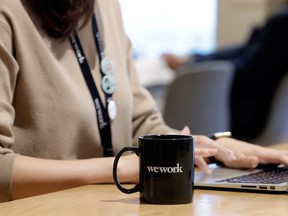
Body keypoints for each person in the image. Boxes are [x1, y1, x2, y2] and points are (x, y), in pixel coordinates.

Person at [1, 0, 288, 203]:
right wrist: (121, 168)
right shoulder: (8, 12)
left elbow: (143, 121)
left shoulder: (105, 6)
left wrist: (208, 149)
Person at [163, 4, 288, 141]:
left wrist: (194, 65)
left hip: (247, 113)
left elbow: (248, 72)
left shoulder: (282, 21)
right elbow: (243, 51)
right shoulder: (281, 18)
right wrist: (194, 59)